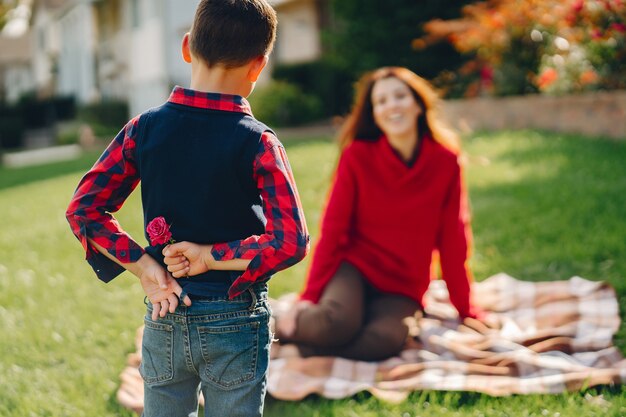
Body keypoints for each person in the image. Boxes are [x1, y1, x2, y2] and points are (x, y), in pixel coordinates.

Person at [65, 1, 309, 416]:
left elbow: (85, 210)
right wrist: (211, 256)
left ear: (186, 47)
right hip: (236, 318)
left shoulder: (142, 129)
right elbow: (291, 242)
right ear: (259, 65)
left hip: (166, 311)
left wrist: (146, 268)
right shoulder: (260, 143)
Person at [272, 66, 483, 361]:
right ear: (374, 113)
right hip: (355, 269)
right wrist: (309, 296)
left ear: (418, 105)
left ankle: (302, 350)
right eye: (381, 101)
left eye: (400, 96)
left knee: (383, 342)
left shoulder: (446, 162)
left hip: (403, 285)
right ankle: (278, 326)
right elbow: (333, 231)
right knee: (333, 325)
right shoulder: (357, 156)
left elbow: (453, 240)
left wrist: (466, 309)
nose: (391, 106)